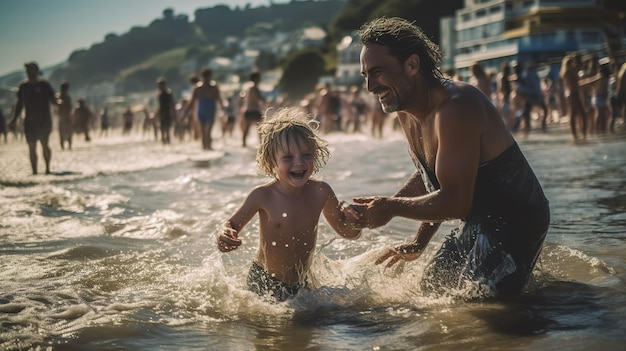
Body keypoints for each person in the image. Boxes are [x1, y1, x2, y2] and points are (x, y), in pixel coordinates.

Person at [353, 17, 550, 298]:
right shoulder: (405, 111)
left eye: (378, 72)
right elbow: (433, 179)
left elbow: (456, 202)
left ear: (412, 65)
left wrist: (390, 207)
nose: (370, 87)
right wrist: (418, 241)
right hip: (478, 216)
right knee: (430, 290)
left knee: (478, 306)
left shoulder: (457, 106)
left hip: (517, 218)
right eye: (365, 76)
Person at [216, 107, 362, 301]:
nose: (298, 163)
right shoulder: (262, 196)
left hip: (301, 284)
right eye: (287, 157)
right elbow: (231, 225)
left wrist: (355, 223)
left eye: (306, 155)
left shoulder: (321, 192)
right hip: (265, 282)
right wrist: (224, 234)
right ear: (271, 160)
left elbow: (347, 233)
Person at [8, 62, 58, 175]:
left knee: (44, 144)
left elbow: (53, 100)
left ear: (36, 71)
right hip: (30, 122)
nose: (29, 73)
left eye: (31, 70)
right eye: (28, 71)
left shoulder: (44, 85)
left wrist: (59, 102)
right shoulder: (23, 87)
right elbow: (19, 105)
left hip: (44, 121)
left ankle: (47, 169)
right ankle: (35, 172)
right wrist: (13, 119)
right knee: (32, 146)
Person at [185, 69, 224, 150]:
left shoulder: (214, 87)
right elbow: (192, 101)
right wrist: (185, 113)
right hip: (201, 110)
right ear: (202, 77)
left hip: (211, 109)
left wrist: (223, 110)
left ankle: (209, 148)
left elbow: (219, 100)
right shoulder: (198, 88)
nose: (207, 78)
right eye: (205, 76)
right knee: (203, 132)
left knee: (209, 132)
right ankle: (204, 149)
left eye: (208, 76)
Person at [560, 53, 588, 140]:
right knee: (577, 114)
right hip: (573, 93)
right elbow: (575, 82)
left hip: (572, 93)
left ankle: (578, 134)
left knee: (577, 114)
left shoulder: (566, 71)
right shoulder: (569, 71)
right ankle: (578, 135)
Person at [240, 71, 266, 147]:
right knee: (260, 129)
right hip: (254, 111)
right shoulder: (254, 87)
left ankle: (244, 145)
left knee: (247, 129)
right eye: (258, 78)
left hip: (248, 110)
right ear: (255, 78)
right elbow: (259, 98)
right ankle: (261, 145)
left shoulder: (248, 87)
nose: (259, 79)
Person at [156, 78, 176, 144]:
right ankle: (163, 140)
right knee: (162, 127)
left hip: (167, 111)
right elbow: (159, 104)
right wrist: (157, 113)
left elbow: (172, 103)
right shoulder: (160, 93)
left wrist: (173, 112)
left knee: (167, 127)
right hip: (162, 112)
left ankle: (167, 139)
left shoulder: (168, 93)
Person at [56, 81, 73, 150]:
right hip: (62, 116)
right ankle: (63, 145)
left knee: (68, 131)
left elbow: (69, 107)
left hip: (66, 116)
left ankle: (68, 145)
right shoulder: (59, 96)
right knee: (62, 132)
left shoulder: (67, 97)